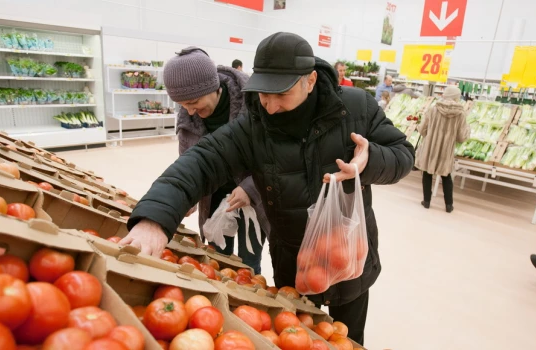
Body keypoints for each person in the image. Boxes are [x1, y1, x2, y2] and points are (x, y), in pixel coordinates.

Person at [121, 32, 415, 344]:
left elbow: (404, 155)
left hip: (350, 256)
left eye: (281, 95)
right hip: (294, 262)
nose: (270, 106)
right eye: (263, 94)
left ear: (310, 81)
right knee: (299, 337)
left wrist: (371, 161)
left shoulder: (355, 108)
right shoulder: (253, 126)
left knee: (348, 338)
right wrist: (154, 217)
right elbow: (201, 162)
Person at [163, 47, 269, 273]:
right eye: (183, 105)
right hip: (215, 198)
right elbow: (188, 162)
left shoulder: (253, 103)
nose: (190, 111)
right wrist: (189, 195)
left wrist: (250, 188)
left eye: (194, 102)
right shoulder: (188, 118)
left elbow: (273, 156)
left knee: (248, 265)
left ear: (214, 87)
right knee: (216, 260)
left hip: (253, 198)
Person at [415, 86, 470, 213]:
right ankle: (449, 205)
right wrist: (468, 130)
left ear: (445, 95)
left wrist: (429, 135)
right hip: (447, 148)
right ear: (457, 97)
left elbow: (423, 129)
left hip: (431, 146)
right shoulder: (461, 113)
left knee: (427, 172)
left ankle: (427, 201)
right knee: (446, 175)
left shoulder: (433, 109)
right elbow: (461, 137)